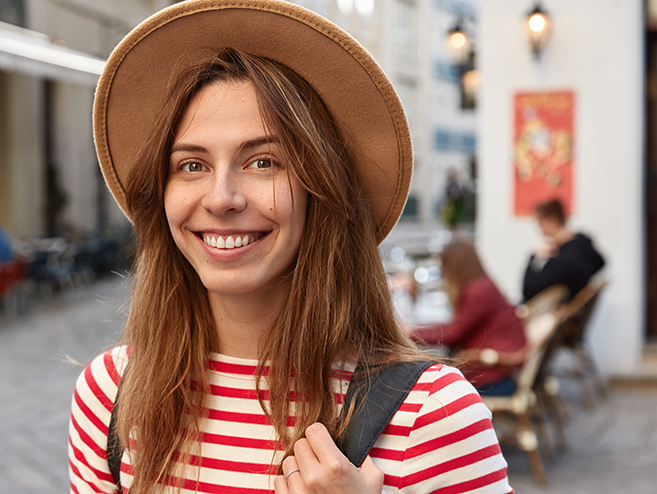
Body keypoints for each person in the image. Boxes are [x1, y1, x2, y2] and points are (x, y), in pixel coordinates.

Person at [69, 2, 512, 493]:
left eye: (263, 162)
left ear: (319, 191)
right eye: (191, 165)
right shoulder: (112, 395)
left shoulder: (432, 416)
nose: (221, 199)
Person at [411, 241, 527, 396]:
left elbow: (454, 333)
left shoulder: (478, 292)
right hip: (501, 366)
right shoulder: (482, 284)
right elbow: (456, 327)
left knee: (424, 386)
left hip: (496, 374)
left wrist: (411, 333)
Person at [522, 198, 605, 301]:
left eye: (540, 224)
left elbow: (528, 290)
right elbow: (602, 262)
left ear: (551, 222)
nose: (540, 230)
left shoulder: (565, 259)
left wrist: (534, 257)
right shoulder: (583, 247)